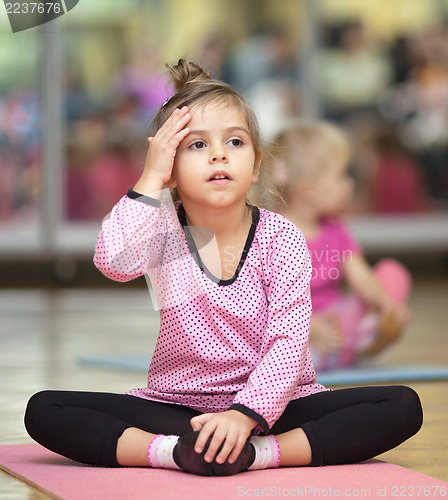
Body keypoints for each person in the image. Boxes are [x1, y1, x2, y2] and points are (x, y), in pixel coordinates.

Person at [24, 60, 422, 476]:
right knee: (45, 409)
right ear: (172, 168)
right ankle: (174, 453)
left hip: (276, 409)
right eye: (197, 145)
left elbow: (288, 342)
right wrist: (150, 178)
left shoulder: (281, 237)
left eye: (234, 142)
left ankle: (258, 454)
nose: (218, 154)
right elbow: (113, 262)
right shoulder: (160, 227)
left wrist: (244, 416)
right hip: (179, 410)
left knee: (400, 405)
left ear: (254, 166)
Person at [269, 120, 413, 371]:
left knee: (392, 272)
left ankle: (369, 332)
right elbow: (265, 298)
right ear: (309, 190)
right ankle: (342, 349)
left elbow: (361, 277)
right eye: (342, 175)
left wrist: (384, 304)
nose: (350, 184)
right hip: (300, 329)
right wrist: (308, 327)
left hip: (339, 320)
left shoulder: (336, 229)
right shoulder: (272, 231)